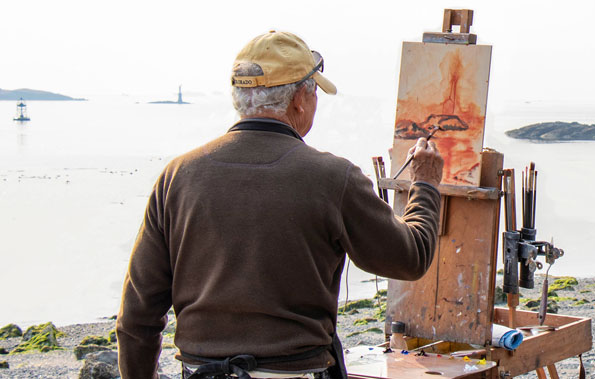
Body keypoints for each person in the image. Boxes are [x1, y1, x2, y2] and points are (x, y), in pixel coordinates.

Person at [116, 30, 444, 379]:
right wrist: (424, 184)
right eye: (315, 92)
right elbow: (410, 258)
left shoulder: (177, 176)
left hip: (200, 371)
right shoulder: (333, 177)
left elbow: (137, 317)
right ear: (300, 99)